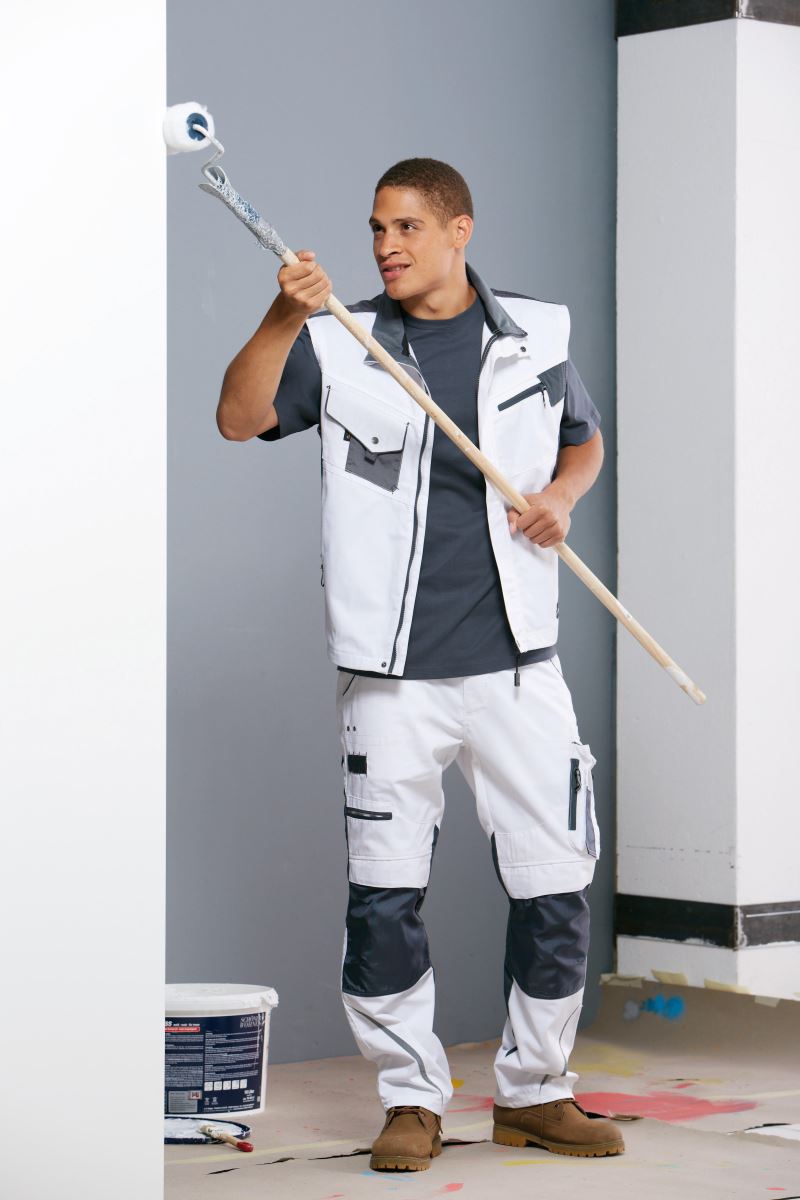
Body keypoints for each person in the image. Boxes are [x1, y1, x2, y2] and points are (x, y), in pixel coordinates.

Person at [217, 158, 623, 1171]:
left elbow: (582, 440)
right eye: (375, 228)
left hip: (517, 666)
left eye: (405, 227)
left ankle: (536, 1092)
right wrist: (282, 317)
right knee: (384, 897)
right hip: (389, 677)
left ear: (457, 230)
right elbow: (237, 418)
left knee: (555, 882)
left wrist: (561, 497)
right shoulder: (337, 342)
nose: (385, 246)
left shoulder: (535, 334)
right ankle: (409, 1099)